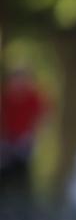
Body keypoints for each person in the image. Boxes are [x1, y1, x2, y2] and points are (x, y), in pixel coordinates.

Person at [0, 67, 48, 198]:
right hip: (7, 138)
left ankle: (22, 197)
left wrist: (32, 134)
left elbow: (41, 116)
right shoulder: (5, 96)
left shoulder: (33, 96)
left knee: (22, 168)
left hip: (24, 138)